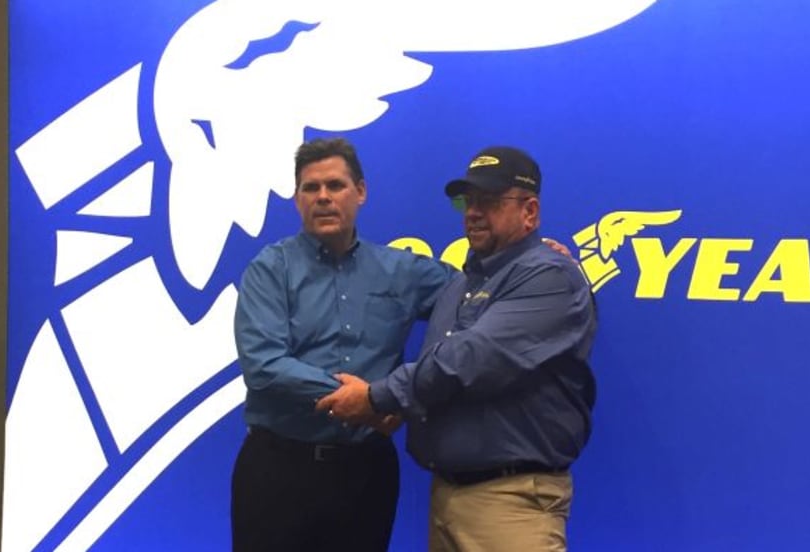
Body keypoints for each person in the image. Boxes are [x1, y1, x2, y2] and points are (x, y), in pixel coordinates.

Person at [317, 145, 598, 552]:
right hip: (447, 497)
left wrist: (378, 397)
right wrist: (403, 406)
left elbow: (470, 360)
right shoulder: (458, 286)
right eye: (468, 201)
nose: (473, 212)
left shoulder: (550, 276)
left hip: (511, 503)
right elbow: (449, 375)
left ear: (530, 212)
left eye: (490, 200)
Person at [230, 137, 454, 551]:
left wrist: (535, 256)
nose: (323, 197)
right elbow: (263, 365)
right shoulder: (270, 269)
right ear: (296, 199)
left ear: (360, 192)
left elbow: (479, 294)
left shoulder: (402, 271)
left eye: (335, 185)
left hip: (365, 472)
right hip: (278, 469)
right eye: (310, 188)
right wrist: (367, 400)